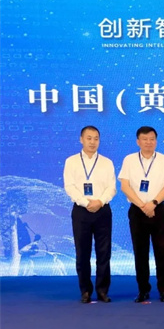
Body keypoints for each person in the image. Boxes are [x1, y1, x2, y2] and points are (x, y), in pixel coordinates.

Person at [118, 126, 164, 303]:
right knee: (140, 251)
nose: (148, 142)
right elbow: (125, 186)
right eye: (145, 139)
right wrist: (142, 205)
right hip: (137, 211)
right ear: (138, 141)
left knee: (162, 251)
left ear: (156, 141)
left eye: (152, 139)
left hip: (160, 209)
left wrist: (153, 203)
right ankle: (143, 290)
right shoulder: (129, 160)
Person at [63, 126, 116, 303]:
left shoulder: (107, 162)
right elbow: (69, 186)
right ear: (81, 139)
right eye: (89, 138)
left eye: (96, 138)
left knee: (104, 252)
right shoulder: (71, 161)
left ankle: (102, 291)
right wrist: (86, 203)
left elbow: (111, 187)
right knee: (82, 252)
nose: (92, 142)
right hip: (81, 211)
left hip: (102, 210)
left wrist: (100, 202)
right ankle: (85, 291)